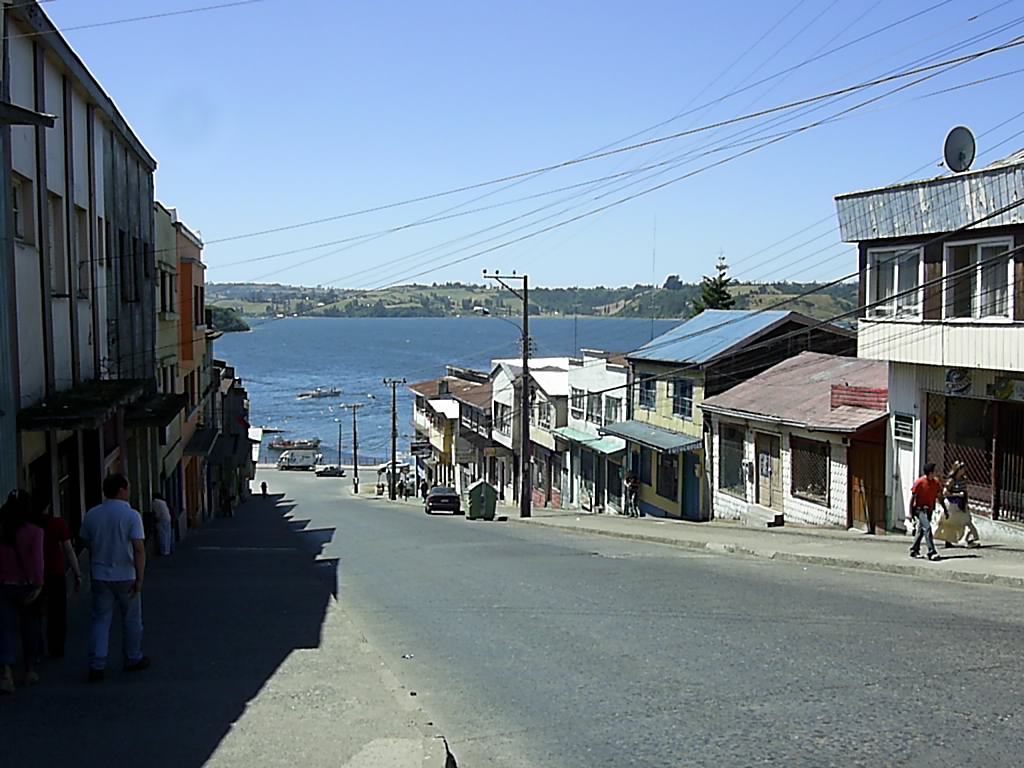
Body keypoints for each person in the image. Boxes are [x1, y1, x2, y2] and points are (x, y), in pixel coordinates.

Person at [80, 473, 149, 681]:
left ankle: (97, 663)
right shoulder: (131, 516)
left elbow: (85, 540)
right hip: (126, 574)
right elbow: (138, 548)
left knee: (100, 619)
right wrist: (140, 577)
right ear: (121, 490)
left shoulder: (92, 514)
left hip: (100, 573)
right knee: (131, 619)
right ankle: (132, 657)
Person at [0, 489, 44, 694]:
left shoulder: (2, 530)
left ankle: (6, 673)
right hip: (26, 586)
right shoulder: (34, 531)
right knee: (30, 628)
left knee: (5, 628)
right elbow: (37, 562)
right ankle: (29, 669)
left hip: (3, 585)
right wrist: (39, 584)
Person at [30, 503, 81, 659]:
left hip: (34, 572)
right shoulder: (57, 523)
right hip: (55, 572)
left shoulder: (29, 525)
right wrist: (77, 572)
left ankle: (36, 649)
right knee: (57, 613)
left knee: (34, 614)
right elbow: (68, 549)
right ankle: (56, 649)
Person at [933, 461, 980, 549]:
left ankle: (970, 539)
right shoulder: (951, 481)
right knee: (949, 523)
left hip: (961, 504)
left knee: (966, 521)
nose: (964, 470)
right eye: (962, 468)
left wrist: (966, 502)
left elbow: (965, 492)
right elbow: (945, 493)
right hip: (951, 504)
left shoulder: (963, 479)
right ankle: (948, 540)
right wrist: (957, 494)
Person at [908, 463, 942, 561]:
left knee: (921, 530)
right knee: (927, 528)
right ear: (930, 473)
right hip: (920, 509)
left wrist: (945, 509)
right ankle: (932, 552)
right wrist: (910, 513)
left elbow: (939, 496)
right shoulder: (920, 482)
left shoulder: (936, 483)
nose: (936, 473)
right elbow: (913, 498)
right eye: (934, 471)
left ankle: (914, 550)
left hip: (929, 509)